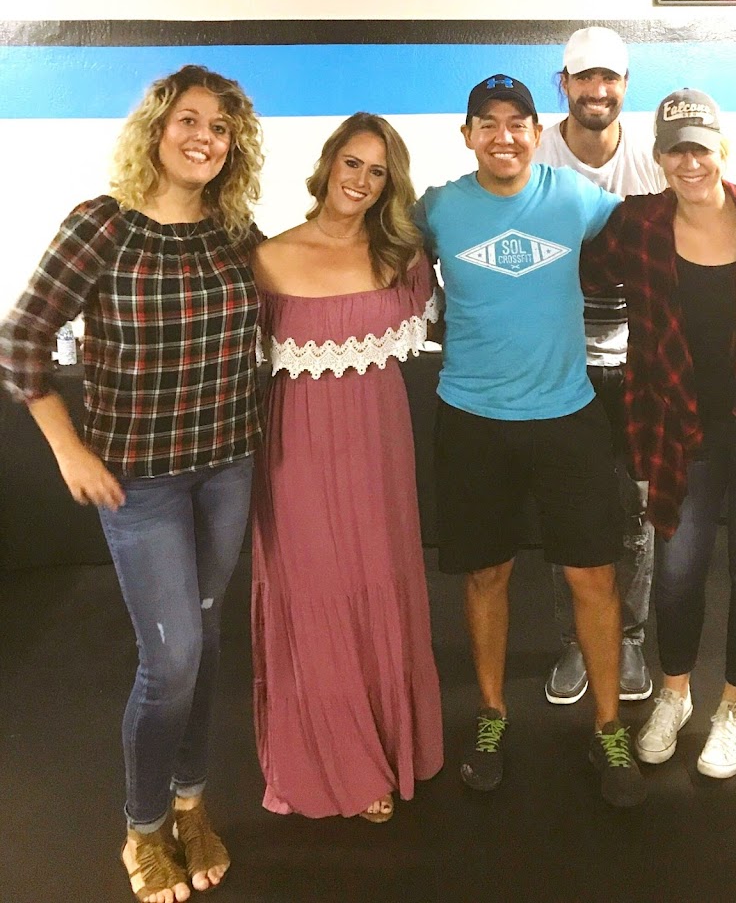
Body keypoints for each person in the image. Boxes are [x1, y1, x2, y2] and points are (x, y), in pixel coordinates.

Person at [0, 65, 264, 902]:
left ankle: (192, 803)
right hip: (140, 482)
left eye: (220, 127)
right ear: (156, 128)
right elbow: (19, 341)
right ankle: (143, 826)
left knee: (207, 641)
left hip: (228, 466)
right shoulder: (102, 225)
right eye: (189, 120)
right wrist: (68, 450)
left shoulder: (234, 231)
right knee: (172, 657)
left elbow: (297, 294)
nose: (204, 138)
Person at [414, 74, 647, 808]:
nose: (504, 136)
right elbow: (366, 241)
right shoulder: (439, 208)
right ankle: (491, 715)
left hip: (567, 414)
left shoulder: (576, 198)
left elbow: (657, 226)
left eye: (517, 122)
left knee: (594, 579)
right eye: (488, 123)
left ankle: (608, 726)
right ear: (467, 136)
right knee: (486, 576)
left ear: (537, 133)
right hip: (472, 417)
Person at [581, 88, 736, 781]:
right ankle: (674, 694)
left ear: (721, 149)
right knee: (676, 575)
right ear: (659, 157)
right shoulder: (636, 224)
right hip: (677, 431)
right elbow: (575, 270)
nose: (689, 162)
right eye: (676, 151)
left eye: (700, 147)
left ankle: (735, 706)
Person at [250, 113, 443, 824]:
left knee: (381, 579)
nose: (360, 180)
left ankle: (392, 745)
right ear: (328, 162)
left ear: (390, 184)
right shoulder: (267, 258)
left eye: (377, 171)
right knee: (314, 592)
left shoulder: (403, 258)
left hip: (379, 444)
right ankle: (341, 762)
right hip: (295, 452)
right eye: (352, 162)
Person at [534, 26, 663, 706]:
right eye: (584, 77)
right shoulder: (536, 153)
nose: (597, 90)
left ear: (624, 85)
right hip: (559, 364)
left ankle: (630, 638)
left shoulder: (653, 159)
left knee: (638, 511)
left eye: (609, 77)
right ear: (564, 84)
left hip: (641, 367)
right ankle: (575, 640)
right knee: (569, 509)